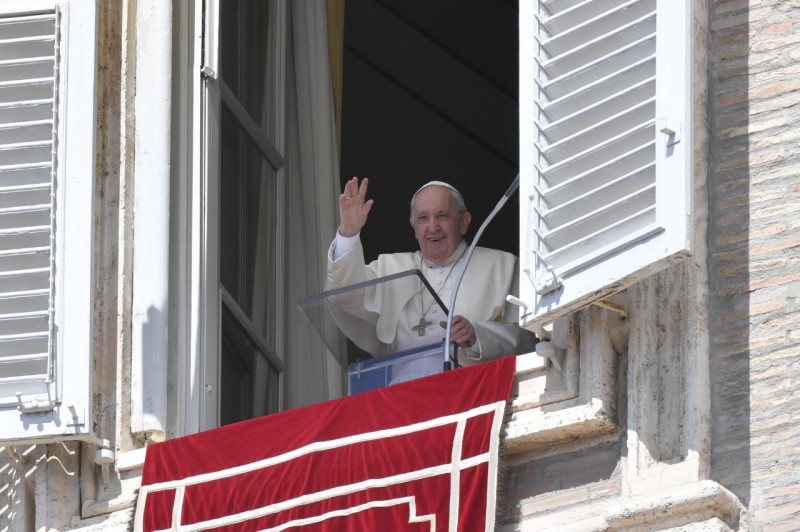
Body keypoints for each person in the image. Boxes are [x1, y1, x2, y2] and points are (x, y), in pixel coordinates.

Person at [326, 176, 536, 383]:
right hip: (403, 395)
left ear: (463, 222)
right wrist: (349, 234)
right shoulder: (389, 268)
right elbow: (343, 297)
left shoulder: (503, 266)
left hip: (472, 388)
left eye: (442, 216)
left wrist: (477, 336)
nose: (433, 227)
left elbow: (531, 338)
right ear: (414, 227)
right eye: (423, 218)